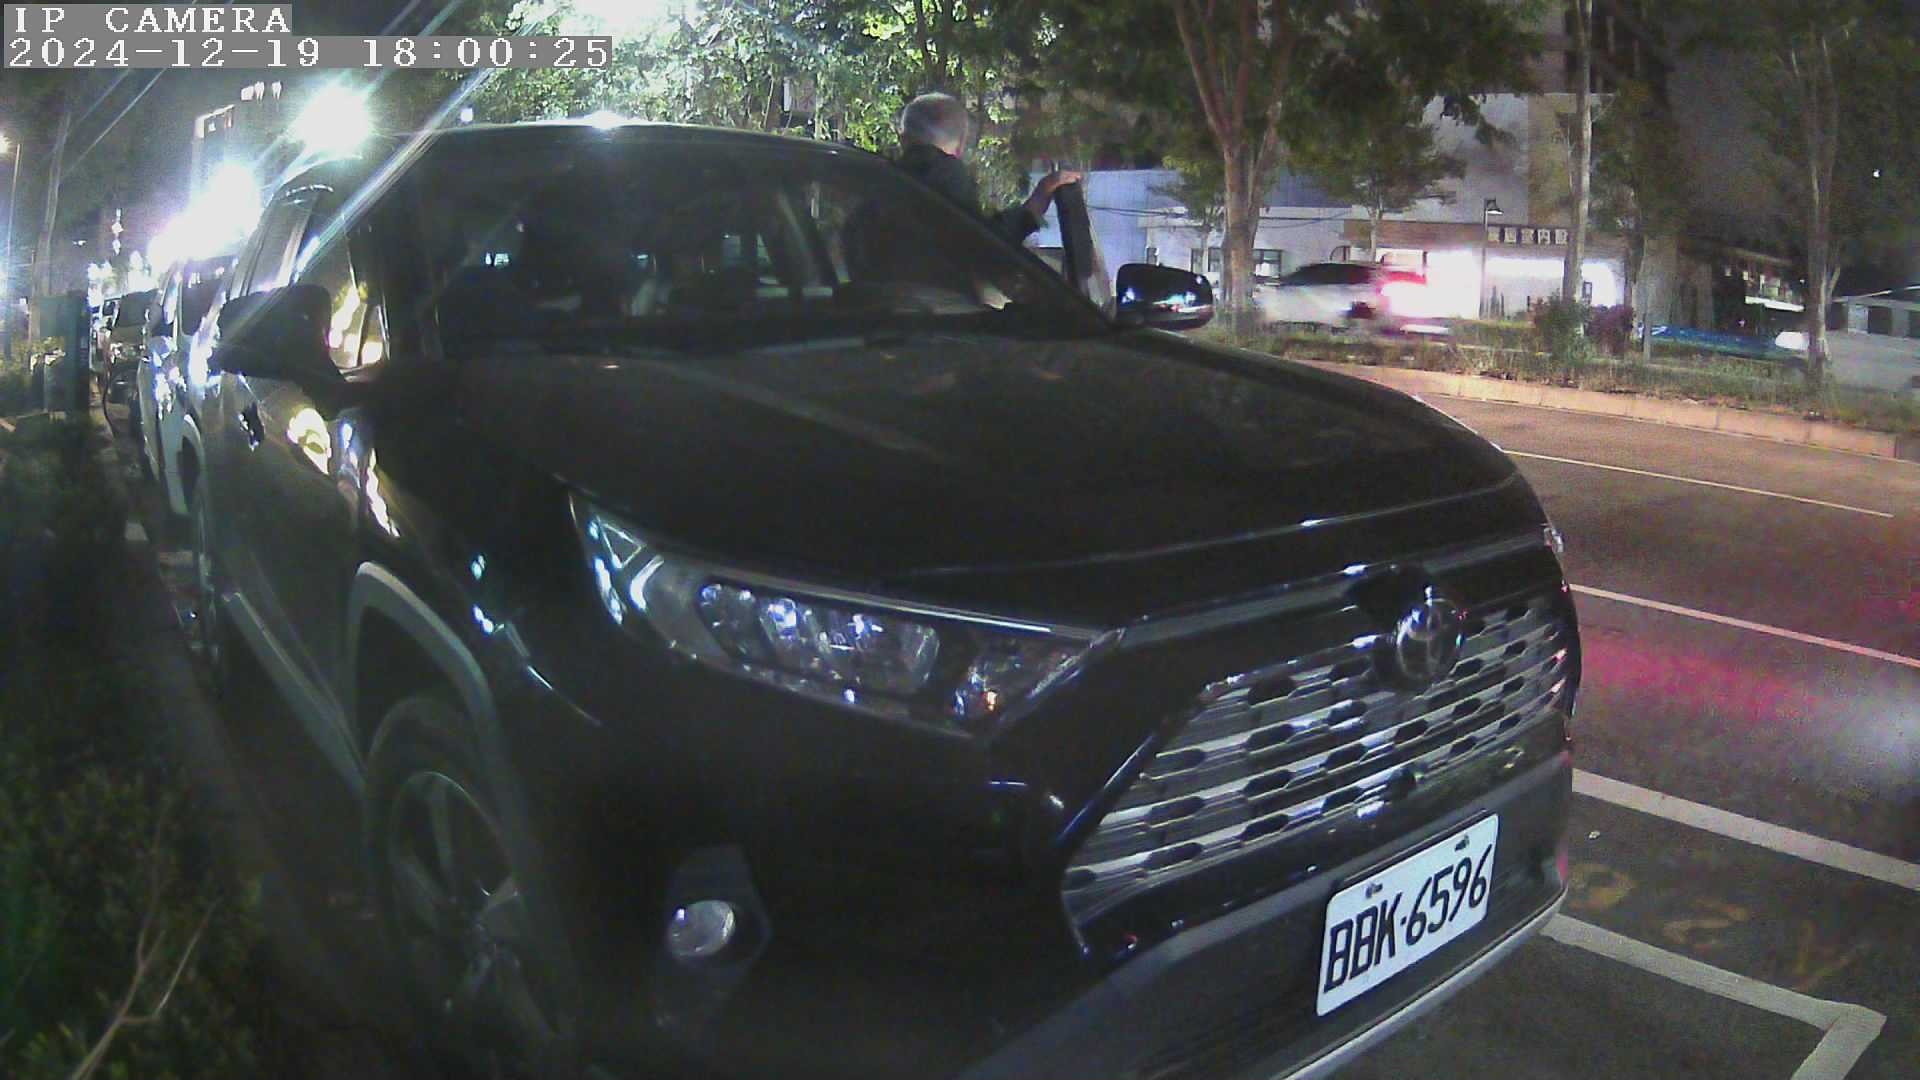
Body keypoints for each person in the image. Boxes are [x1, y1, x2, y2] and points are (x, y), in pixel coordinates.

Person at [895, 92, 1082, 248]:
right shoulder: (947, 176)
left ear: (902, 139)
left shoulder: (887, 181)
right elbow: (981, 246)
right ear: (960, 145)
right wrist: (1039, 198)